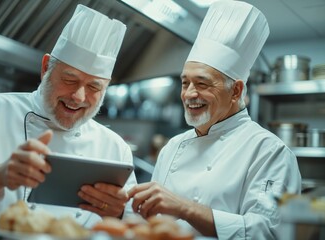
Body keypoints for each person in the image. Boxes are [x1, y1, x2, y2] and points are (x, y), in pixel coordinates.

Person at [0, 4, 137, 227]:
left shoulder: (115, 148)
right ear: (46, 67)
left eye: (94, 87)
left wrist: (119, 213)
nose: (78, 96)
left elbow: (135, 226)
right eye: (70, 80)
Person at [128, 1, 301, 239]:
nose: (189, 94)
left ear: (236, 91)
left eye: (202, 83)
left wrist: (186, 208)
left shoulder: (269, 151)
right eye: (185, 82)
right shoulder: (173, 147)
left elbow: (268, 232)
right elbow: (150, 220)